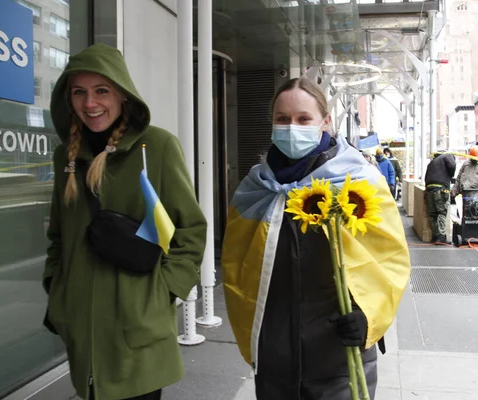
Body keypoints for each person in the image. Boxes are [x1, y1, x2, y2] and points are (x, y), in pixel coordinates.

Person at [221, 77, 410, 400]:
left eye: (303, 119)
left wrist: (369, 316)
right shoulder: (255, 189)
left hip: (339, 361)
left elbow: (390, 260)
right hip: (275, 361)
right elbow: (235, 265)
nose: (292, 127)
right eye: (283, 119)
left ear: (325, 122)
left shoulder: (360, 182)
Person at [42, 43, 207, 400]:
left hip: (138, 331)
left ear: (123, 96)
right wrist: (59, 291)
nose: (90, 103)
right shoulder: (64, 157)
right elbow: (58, 235)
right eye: (79, 92)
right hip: (83, 330)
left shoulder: (158, 146)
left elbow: (190, 231)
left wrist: (163, 293)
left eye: (102, 90)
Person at [424, 151, 456, 244]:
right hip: (441, 189)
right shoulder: (447, 156)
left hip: (430, 189)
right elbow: (452, 166)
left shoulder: (431, 163)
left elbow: (426, 178)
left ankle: (435, 236)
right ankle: (441, 236)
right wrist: (451, 175)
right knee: (441, 212)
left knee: (433, 214)